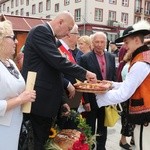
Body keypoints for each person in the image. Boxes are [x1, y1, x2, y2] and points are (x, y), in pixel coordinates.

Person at [21, 11, 97, 150]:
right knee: (37, 143)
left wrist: (62, 101)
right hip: (40, 102)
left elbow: (54, 73)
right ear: (60, 22)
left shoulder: (49, 36)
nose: (68, 34)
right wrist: (85, 73)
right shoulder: (40, 31)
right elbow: (58, 62)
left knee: (43, 141)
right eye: (68, 29)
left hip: (47, 101)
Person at [96, 20, 150, 150]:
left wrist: (97, 96)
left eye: (126, 42)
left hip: (145, 114)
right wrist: (112, 84)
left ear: (137, 40)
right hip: (145, 112)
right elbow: (130, 84)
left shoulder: (140, 63)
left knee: (144, 146)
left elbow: (124, 93)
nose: (125, 47)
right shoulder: (142, 57)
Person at [0, 20, 36, 150]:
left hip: (14, 125)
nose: (16, 42)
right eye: (12, 37)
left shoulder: (10, 62)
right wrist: (20, 99)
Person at [79, 31, 116, 150]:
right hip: (92, 98)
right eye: (97, 42)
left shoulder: (111, 56)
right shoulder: (85, 58)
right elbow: (82, 81)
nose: (99, 44)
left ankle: (101, 147)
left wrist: (113, 95)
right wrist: (86, 101)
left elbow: (113, 77)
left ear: (106, 42)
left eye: (102, 42)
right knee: (90, 126)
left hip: (106, 98)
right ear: (92, 43)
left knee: (103, 126)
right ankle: (89, 146)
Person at [117, 51, 134, 150]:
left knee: (132, 120)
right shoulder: (130, 66)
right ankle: (123, 140)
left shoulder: (130, 65)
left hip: (131, 96)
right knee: (127, 119)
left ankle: (133, 138)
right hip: (129, 97)